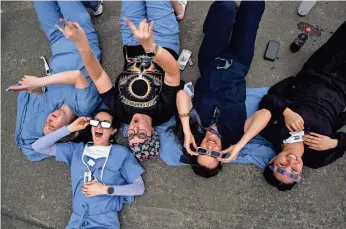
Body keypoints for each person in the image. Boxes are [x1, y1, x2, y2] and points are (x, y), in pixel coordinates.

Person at [58, 0, 183, 161]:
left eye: (131, 134)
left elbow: (98, 77)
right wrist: (151, 47)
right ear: (152, 132)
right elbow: (172, 73)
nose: (135, 127)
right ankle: (177, 9)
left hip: (131, 42)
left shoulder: (120, 113)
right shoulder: (163, 113)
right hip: (163, 43)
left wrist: (82, 45)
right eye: (141, 133)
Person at [175, 0, 266, 178]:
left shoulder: (195, 126)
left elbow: (181, 95)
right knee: (254, 4)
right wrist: (240, 145)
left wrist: (186, 130)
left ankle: (210, 24)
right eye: (215, 154)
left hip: (210, 62)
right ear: (223, 154)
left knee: (226, 6)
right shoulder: (235, 135)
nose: (210, 147)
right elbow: (265, 114)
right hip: (239, 64)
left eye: (203, 151)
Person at [257, 21, 346, 191]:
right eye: (294, 172)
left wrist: (286, 111)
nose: (291, 162)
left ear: (271, 161)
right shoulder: (317, 158)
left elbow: (269, 99)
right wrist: (334, 143)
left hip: (316, 71)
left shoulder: (271, 131)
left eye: (282, 166)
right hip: (342, 90)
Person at [11, 0, 104, 161]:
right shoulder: (84, 107)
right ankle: (95, 4)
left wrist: (32, 89)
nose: (49, 120)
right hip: (80, 38)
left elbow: (40, 92)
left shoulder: (51, 105)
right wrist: (40, 82)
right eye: (53, 126)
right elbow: (76, 76)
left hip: (56, 41)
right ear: (70, 130)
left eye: (46, 124)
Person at [32, 110, 144, 229]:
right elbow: (38, 147)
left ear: (113, 130)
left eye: (105, 123)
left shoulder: (121, 153)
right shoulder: (76, 150)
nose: (99, 126)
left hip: (103, 222)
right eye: (96, 122)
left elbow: (139, 188)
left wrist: (105, 189)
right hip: (76, 221)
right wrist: (70, 128)